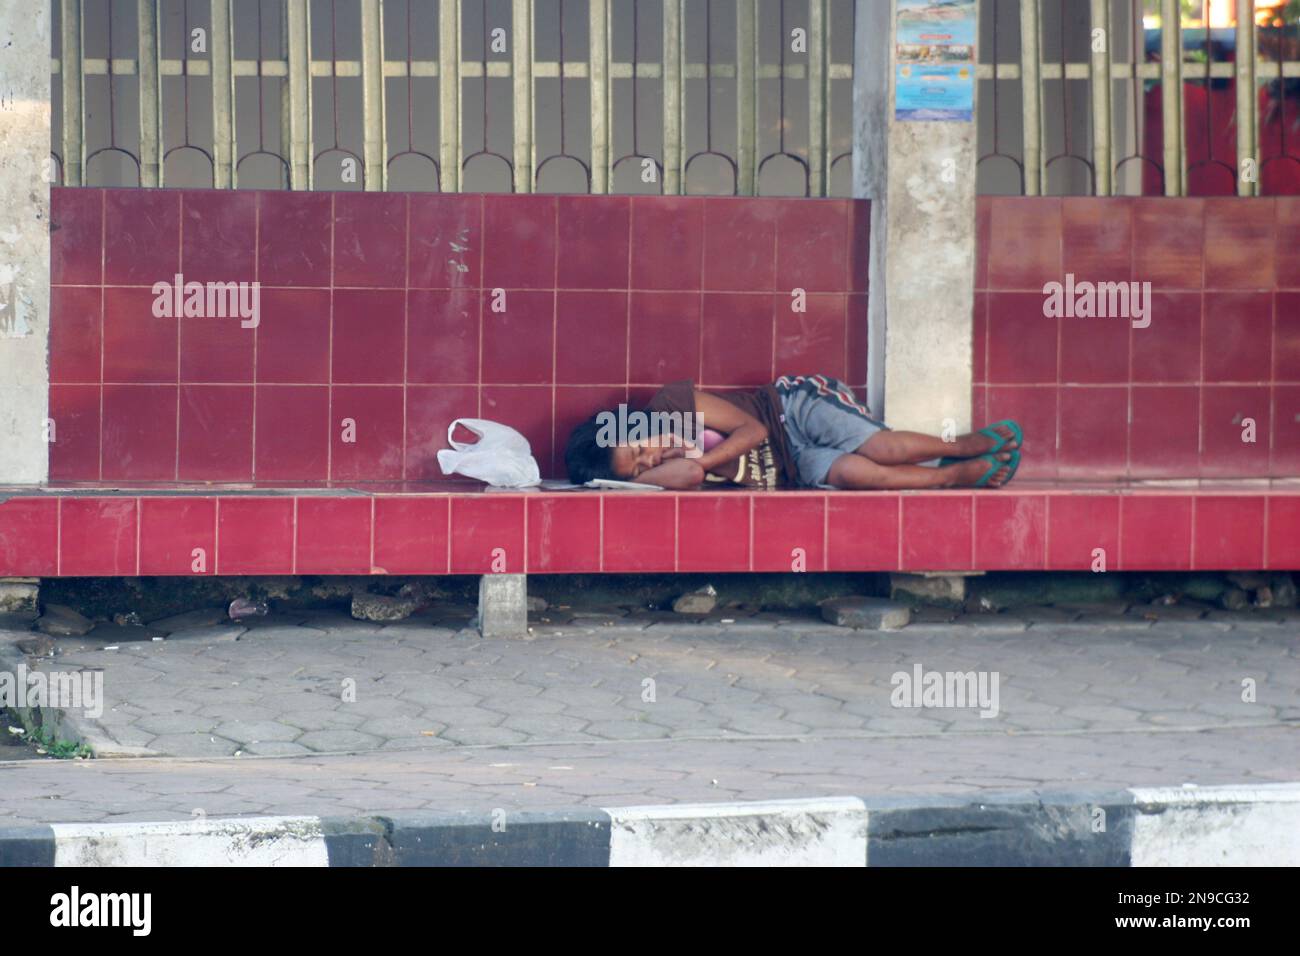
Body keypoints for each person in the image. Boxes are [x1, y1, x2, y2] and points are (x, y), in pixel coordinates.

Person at [563, 374, 1021, 490]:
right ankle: (948, 477)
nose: (652, 459)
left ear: (630, 424)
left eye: (639, 448)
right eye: (640, 469)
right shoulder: (668, 474)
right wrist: (639, 479)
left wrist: (699, 458)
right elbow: (692, 478)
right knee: (860, 474)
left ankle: (962, 445)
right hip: (794, 467)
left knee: (886, 447)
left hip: (791, 411)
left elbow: (754, 428)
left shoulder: (672, 404)